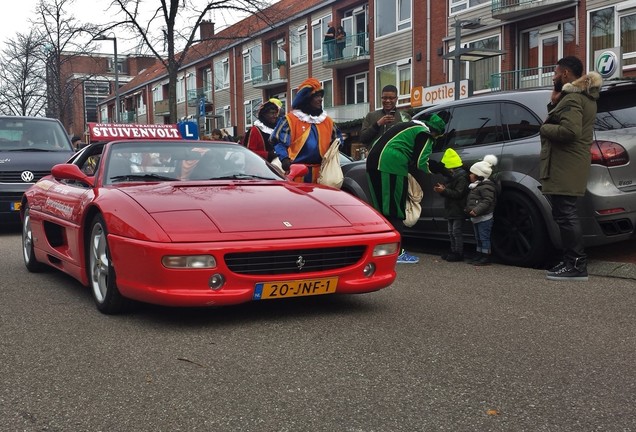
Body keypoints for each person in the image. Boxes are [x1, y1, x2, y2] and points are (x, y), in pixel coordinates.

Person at [540, 56, 602, 281]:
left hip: (565, 164)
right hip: (569, 164)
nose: (554, 76)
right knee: (564, 213)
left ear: (565, 74)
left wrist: (544, 128)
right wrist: (554, 102)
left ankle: (576, 264)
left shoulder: (573, 99)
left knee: (565, 214)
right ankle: (570, 261)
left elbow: (570, 131)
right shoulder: (579, 97)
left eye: (556, 72)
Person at [366, 114, 447, 264]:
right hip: (390, 164)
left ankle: (381, 251)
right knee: (395, 210)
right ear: (435, 132)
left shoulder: (407, 127)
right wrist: (443, 169)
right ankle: (397, 253)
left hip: (372, 161)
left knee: (381, 209)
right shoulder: (424, 133)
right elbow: (421, 162)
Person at [270, 78, 342, 183]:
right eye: (316, 96)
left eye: (321, 96)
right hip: (296, 173)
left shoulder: (327, 121)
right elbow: (277, 140)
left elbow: (338, 140)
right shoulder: (290, 119)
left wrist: (336, 149)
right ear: (306, 99)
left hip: (321, 174)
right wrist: (284, 159)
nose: (320, 99)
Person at [433, 148, 469, 262]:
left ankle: (458, 253)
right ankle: (453, 251)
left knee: (456, 231)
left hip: (458, 209)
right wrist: (443, 190)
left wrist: (443, 191)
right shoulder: (452, 178)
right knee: (451, 232)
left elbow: (458, 194)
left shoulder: (461, 178)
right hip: (451, 209)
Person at [465, 155, 499, 266]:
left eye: (472, 173)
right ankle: (479, 254)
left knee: (484, 237)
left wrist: (476, 210)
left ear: (478, 176)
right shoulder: (475, 186)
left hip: (484, 217)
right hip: (476, 216)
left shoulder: (485, 187)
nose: (469, 175)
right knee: (478, 237)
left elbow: (487, 200)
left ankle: (486, 256)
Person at [243, 98, 283, 162]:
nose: (275, 116)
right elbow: (248, 153)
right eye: (272, 113)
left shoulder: (277, 129)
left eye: (276, 113)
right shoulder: (255, 130)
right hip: (260, 167)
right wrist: (268, 155)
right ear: (264, 114)